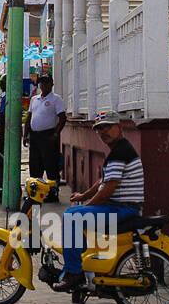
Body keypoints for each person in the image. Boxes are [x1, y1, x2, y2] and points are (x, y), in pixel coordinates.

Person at [54, 112, 143, 292]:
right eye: (99, 129)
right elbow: (103, 181)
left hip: (122, 209)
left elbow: (106, 191)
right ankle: (83, 261)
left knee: (72, 217)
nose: (104, 132)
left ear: (119, 127)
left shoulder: (120, 153)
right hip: (119, 206)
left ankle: (73, 273)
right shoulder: (120, 149)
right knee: (77, 212)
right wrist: (83, 196)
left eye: (108, 127)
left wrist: (86, 206)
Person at [23, 74, 66, 197]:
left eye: (46, 82)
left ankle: (53, 193)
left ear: (51, 84)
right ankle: (35, 192)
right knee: (35, 164)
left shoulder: (56, 99)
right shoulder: (34, 99)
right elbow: (29, 117)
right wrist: (25, 134)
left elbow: (62, 118)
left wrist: (56, 133)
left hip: (48, 135)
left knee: (50, 164)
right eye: (41, 82)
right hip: (35, 136)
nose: (44, 85)